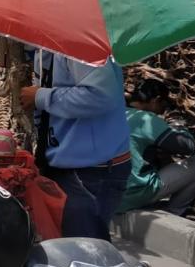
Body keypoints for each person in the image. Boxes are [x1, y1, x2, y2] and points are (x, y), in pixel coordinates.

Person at [20, 50, 130, 242]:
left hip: (91, 169)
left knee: (86, 252)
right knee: (68, 248)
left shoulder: (79, 45)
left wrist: (41, 97)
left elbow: (101, 95)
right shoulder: (43, 48)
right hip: (66, 162)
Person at [118, 79, 195, 215]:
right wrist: (177, 123)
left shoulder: (115, 114)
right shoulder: (146, 120)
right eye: (164, 103)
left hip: (105, 194)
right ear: (156, 100)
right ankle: (174, 210)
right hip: (130, 196)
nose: (164, 109)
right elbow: (187, 146)